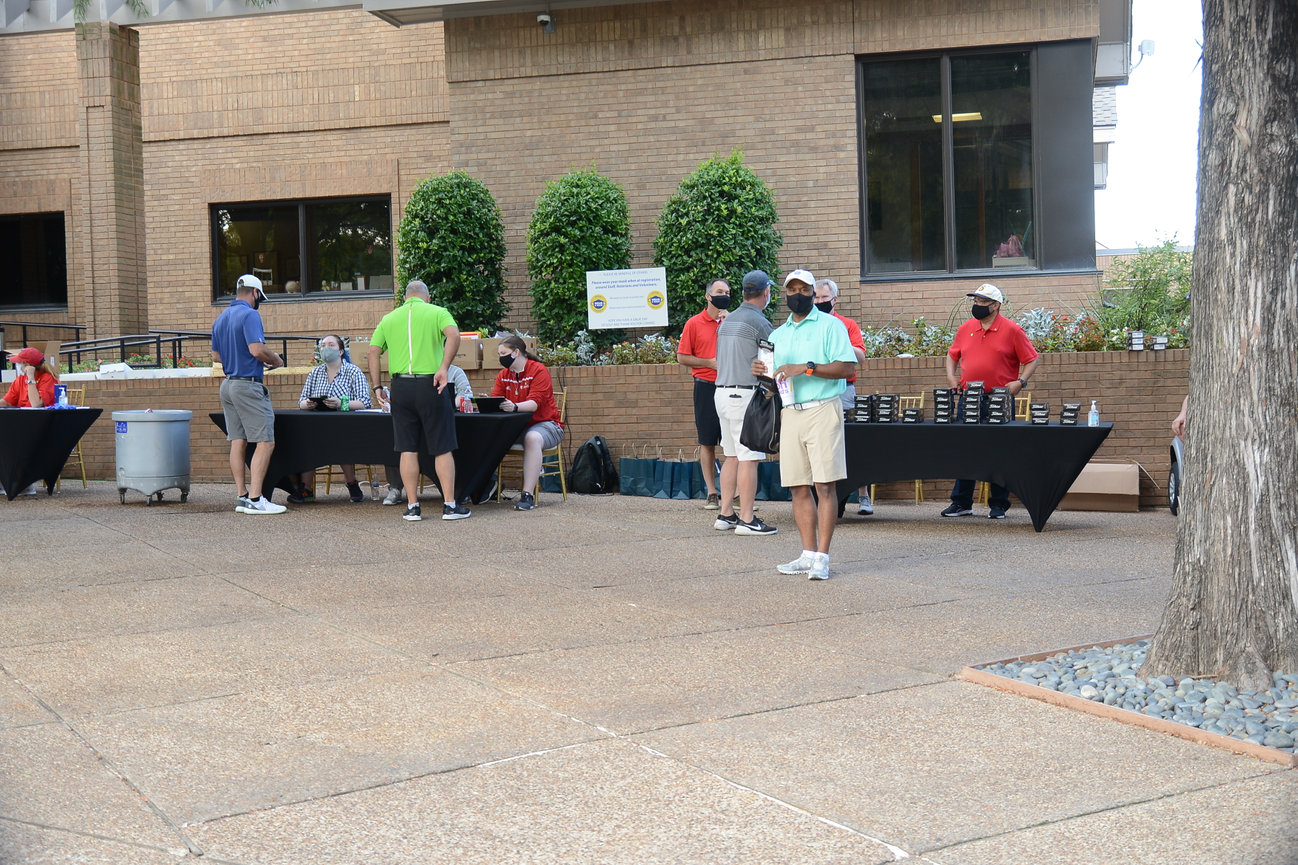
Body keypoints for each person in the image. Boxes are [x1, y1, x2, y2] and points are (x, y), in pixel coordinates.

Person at [755, 269, 857, 581]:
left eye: (803, 288)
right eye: (792, 289)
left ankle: (823, 559)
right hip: (790, 412)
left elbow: (847, 367)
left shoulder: (831, 326)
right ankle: (807, 554)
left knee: (825, 485)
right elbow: (770, 384)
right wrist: (760, 372)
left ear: (813, 292)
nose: (797, 294)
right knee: (798, 487)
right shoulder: (776, 335)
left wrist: (807, 368)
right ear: (784, 295)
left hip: (823, 409)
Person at [367, 280, 469, 522]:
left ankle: (413, 506)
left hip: (400, 385)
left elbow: (373, 351)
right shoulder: (437, 312)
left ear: (405, 298)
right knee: (442, 446)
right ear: (427, 297)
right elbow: (454, 335)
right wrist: (444, 368)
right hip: (430, 384)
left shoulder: (389, 319)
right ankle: (449, 505)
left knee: (407, 447)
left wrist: (377, 385)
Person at [941, 283, 1039, 519]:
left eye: (983, 302)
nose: (977, 306)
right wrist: (952, 378)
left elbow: (1032, 359)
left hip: (999, 399)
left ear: (996, 305)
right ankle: (962, 502)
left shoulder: (1012, 330)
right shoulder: (966, 329)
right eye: (975, 301)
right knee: (966, 450)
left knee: (1000, 451)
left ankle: (998, 504)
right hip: (968, 398)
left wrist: (1020, 382)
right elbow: (951, 355)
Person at [210, 274, 287, 515]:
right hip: (247, 385)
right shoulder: (250, 314)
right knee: (265, 441)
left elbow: (216, 357)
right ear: (255, 293)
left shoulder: (221, 318)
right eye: (259, 297)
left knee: (238, 440)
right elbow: (256, 349)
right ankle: (256, 498)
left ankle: (242, 496)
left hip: (228, 384)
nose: (258, 302)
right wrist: (276, 360)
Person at [713, 270, 776, 536]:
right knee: (749, 458)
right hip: (744, 396)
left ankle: (726, 514)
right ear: (765, 293)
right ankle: (748, 519)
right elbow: (771, 362)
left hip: (721, 393)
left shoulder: (726, 322)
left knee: (731, 456)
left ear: (742, 293)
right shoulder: (760, 323)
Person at [291, 334, 372, 504]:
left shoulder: (353, 371)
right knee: (306, 441)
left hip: (345, 425)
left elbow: (364, 402)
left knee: (339, 438)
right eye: (323, 345)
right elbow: (301, 401)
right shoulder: (315, 373)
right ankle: (306, 489)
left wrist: (340, 403)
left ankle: (352, 483)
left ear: (341, 351)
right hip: (317, 424)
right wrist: (309, 404)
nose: (326, 348)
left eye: (331, 345)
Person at [814, 278, 870, 514]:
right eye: (816, 297)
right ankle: (826, 499)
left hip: (844, 390)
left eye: (824, 298)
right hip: (816, 389)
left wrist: (839, 339)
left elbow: (860, 356)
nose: (819, 301)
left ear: (834, 299)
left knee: (849, 442)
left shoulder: (847, 324)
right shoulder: (809, 324)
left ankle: (864, 496)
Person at [381, 363, 473, 506]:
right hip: (424, 413)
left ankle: (419, 504)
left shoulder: (456, 372)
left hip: (444, 415)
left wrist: (447, 403)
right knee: (396, 443)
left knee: (441, 448)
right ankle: (396, 489)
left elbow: (466, 394)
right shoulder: (410, 370)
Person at [491, 334, 565, 511]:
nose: (501, 357)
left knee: (532, 438)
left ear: (516, 352)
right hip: (516, 427)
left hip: (547, 425)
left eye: (503, 353)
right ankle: (486, 487)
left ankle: (527, 495)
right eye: (499, 354)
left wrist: (514, 407)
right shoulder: (504, 375)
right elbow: (496, 400)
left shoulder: (538, 370)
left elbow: (533, 404)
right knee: (485, 435)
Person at [676, 278, 731, 509]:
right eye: (720, 291)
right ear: (709, 296)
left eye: (727, 292)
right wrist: (708, 363)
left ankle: (733, 494)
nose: (724, 295)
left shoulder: (733, 321)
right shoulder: (694, 323)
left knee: (733, 443)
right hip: (705, 386)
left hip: (731, 386)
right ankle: (711, 492)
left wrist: (730, 324)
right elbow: (682, 357)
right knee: (707, 441)